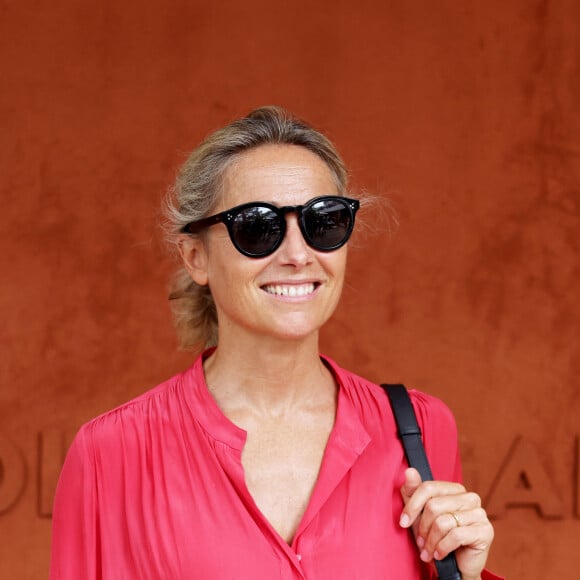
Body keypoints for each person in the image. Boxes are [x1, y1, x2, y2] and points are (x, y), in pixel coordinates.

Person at [50, 106, 501, 579]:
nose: (297, 255)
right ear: (195, 257)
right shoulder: (109, 454)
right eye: (256, 227)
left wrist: (464, 576)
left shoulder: (421, 430)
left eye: (322, 222)